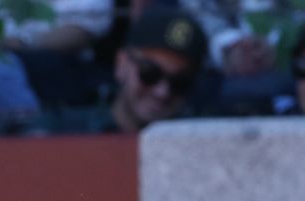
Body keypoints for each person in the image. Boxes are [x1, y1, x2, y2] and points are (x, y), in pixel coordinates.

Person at [43, 5, 206, 132]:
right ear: (122, 64)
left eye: (180, 83)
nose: (162, 92)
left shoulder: (198, 147)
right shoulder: (63, 131)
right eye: (150, 73)